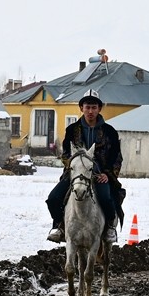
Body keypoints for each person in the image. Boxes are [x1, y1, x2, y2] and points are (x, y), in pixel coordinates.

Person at [45, 91, 124, 244]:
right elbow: (66, 153)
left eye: (94, 107)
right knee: (53, 198)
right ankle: (59, 226)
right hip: (76, 173)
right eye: (87, 107)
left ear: (99, 109)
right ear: (81, 108)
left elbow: (116, 157)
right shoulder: (72, 130)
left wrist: (108, 174)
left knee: (107, 199)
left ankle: (109, 228)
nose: (90, 111)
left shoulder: (110, 132)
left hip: (99, 175)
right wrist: (72, 166)